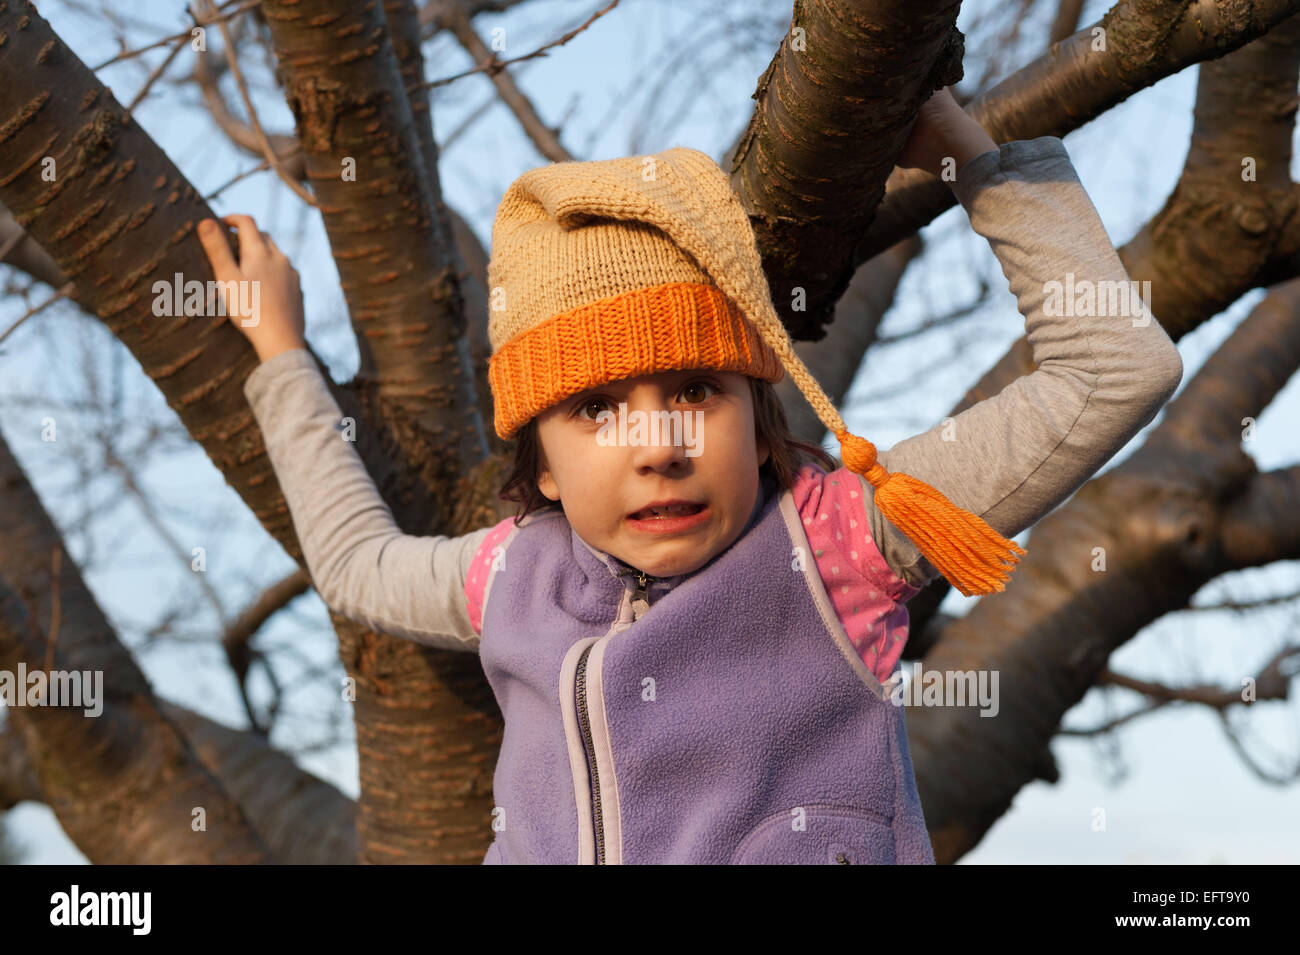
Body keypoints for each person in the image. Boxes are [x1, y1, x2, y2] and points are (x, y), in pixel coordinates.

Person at [198, 87, 1183, 864]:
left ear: (758, 425)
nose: (658, 441)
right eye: (594, 408)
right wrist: (282, 354)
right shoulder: (509, 576)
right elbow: (359, 565)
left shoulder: (836, 539)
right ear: (538, 465)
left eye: (696, 389)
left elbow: (1115, 367)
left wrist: (975, 159)